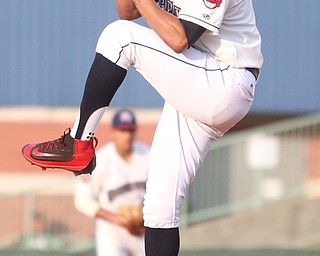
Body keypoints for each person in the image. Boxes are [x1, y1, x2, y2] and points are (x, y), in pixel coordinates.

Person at [22, 0, 263, 255]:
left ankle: (78, 144)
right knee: (159, 208)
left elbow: (181, 39)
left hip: (225, 80)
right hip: (198, 79)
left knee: (119, 38)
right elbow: (126, 12)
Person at [74, 108, 149, 256]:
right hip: (111, 231)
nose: (127, 135)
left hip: (142, 229)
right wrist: (116, 218)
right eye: (122, 131)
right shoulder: (100, 160)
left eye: (130, 130)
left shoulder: (148, 155)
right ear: (113, 132)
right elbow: (81, 200)